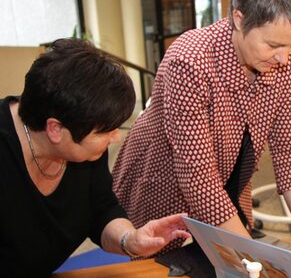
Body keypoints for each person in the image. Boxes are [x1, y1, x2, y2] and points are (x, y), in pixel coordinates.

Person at [113, 0, 291, 273]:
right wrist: (256, 260)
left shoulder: (281, 55)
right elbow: (198, 177)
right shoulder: (190, 62)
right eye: (274, 44)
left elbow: (289, 146)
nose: (284, 57)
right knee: (165, 268)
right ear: (239, 19)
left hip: (227, 185)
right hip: (163, 188)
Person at [0, 38, 190, 277]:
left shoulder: (83, 143)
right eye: (106, 131)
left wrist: (129, 239)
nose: (116, 138)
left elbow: (101, 210)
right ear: (56, 129)